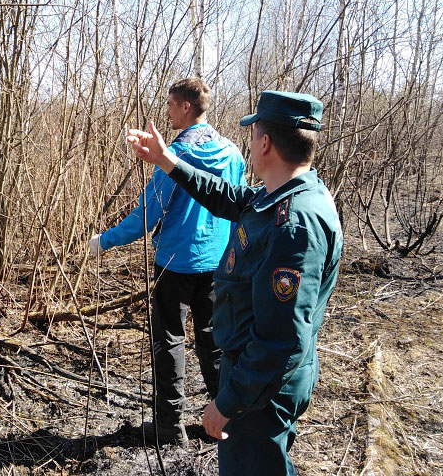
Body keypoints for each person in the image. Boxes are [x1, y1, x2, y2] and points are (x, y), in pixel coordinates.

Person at [126, 90, 342, 475]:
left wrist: (228, 401)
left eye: (253, 131)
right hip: (256, 378)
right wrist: (165, 160)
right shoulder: (284, 196)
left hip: (261, 389)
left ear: (264, 143)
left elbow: (282, 339)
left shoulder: (294, 226)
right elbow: (227, 196)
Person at [89, 77, 246, 446]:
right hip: (217, 265)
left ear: (186, 108)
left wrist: (104, 240)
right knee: (215, 341)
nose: (168, 110)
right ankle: (224, 420)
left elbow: (146, 216)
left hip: (174, 263)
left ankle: (168, 427)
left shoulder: (174, 156)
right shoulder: (233, 153)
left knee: (169, 342)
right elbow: (238, 208)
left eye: (171, 104)